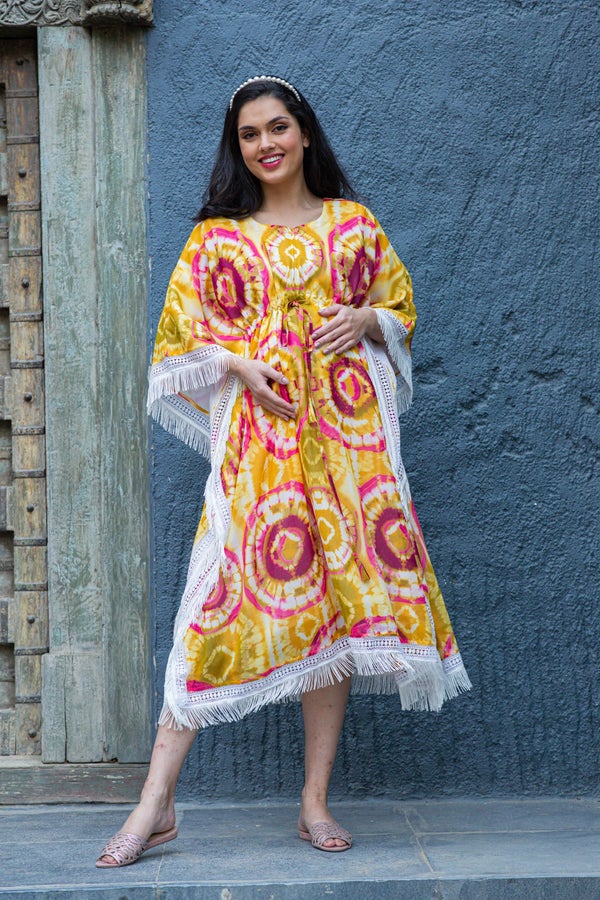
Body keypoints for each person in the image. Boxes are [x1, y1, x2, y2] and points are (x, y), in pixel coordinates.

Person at [96, 75, 471, 867]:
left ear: (303, 131)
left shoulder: (354, 225)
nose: (265, 144)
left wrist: (366, 318)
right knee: (211, 602)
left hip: (348, 448)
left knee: (333, 613)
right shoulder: (216, 241)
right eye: (249, 135)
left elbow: (399, 309)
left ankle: (314, 801)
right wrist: (237, 364)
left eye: (277, 127)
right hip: (260, 449)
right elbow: (176, 345)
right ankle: (156, 802)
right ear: (237, 148)